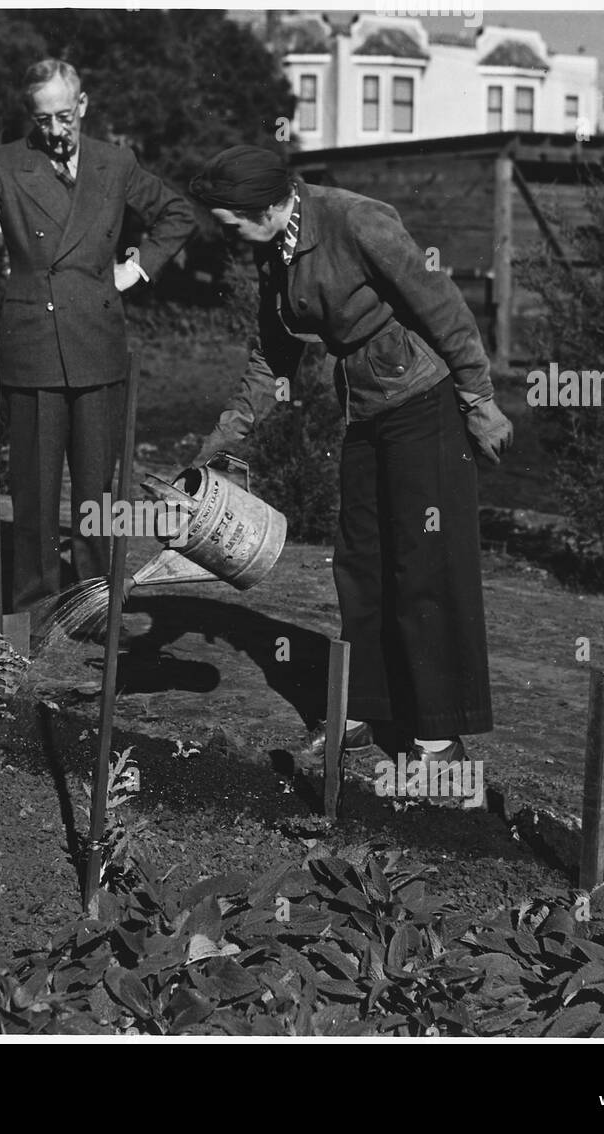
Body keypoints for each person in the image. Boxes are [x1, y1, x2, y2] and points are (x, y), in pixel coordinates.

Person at [189, 145, 512, 769]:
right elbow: (271, 355)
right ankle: (365, 707)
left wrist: (479, 396)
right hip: (364, 406)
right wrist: (227, 434)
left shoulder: (354, 219)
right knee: (360, 561)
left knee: (424, 565)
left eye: (229, 219)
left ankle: (438, 734)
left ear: (261, 206)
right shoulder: (273, 251)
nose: (226, 232)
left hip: (425, 400)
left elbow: (440, 304)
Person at [0, 59, 194, 614]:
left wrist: (134, 269)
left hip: (98, 341)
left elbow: (176, 212)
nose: (55, 128)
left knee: (98, 488)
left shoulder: (116, 163)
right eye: (43, 117)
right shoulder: (1, 163)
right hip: (35, 346)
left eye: (65, 115)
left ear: (84, 105)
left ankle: (94, 600)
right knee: (35, 492)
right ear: (31, 115)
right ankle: (32, 600)